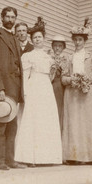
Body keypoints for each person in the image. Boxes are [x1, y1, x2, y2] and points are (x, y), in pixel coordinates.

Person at [61, 19, 92, 163]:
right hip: (71, 94)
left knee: (88, 123)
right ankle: (74, 156)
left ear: (85, 41)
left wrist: (87, 79)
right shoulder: (68, 58)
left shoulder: (91, 56)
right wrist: (71, 79)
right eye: (75, 40)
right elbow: (63, 78)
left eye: (80, 40)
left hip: (86, 92)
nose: (77, 42)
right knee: (74, 123)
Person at [15, 18, 62, 166]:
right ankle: (31, 157)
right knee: (33, 120)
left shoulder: (49, 57)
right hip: (34, 86)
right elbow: (25, 76)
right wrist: (26, 93)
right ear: (32, 40)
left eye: (39, 37)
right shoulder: (27, 56)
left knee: (46, 121)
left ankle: (47, 157)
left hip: (46, 88)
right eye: (34, 38)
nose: (37, 40)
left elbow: (51, 76)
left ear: (44, 39)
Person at [0, 7, 27, 170]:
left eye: (13, 17)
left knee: (12, 126)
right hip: (2, 88)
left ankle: (10, 160)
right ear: (2, 18)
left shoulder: (16, 39)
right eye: (7, 17)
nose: (10, 20)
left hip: (14, 87)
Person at [48, 35, 69, 131]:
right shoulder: (48, 57)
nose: (57, 48)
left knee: (60, 109)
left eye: (60, 46)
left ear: (63, 47)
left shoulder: (66, 59)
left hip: (61, 86)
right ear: (52, 46)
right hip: (49, 85)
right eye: (55, 45)